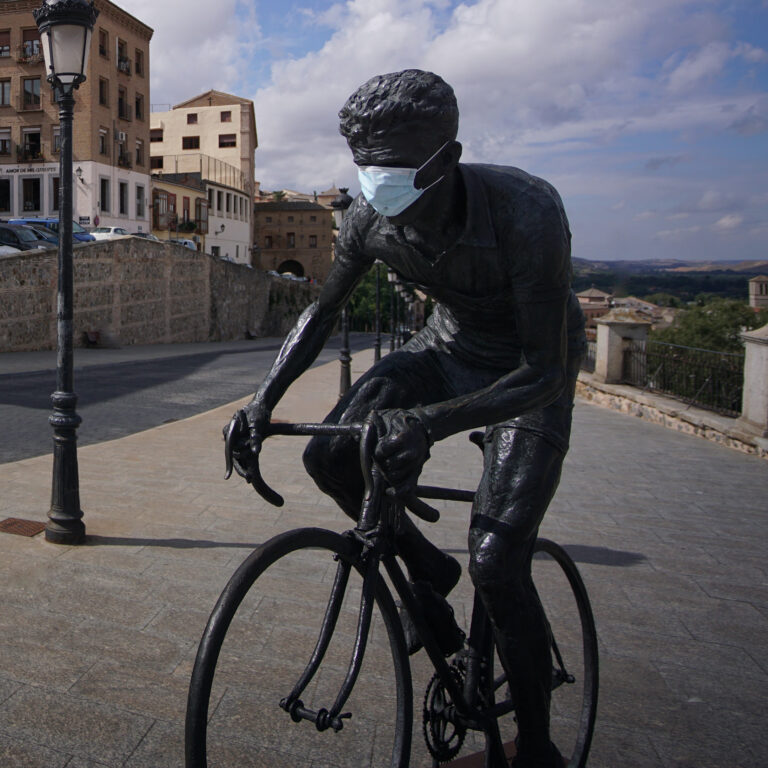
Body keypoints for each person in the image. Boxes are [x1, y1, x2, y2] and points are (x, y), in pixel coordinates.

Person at [230, 69, 585, 768]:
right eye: (365, 168)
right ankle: (426, 574)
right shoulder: (370, 218)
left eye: (391, 170)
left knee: (496, 561)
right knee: (329, 456)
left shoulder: (528, 211)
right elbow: (321, 310)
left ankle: (537, 748)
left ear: (445, 161)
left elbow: (546, 370)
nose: (374, 186)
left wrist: (429, 422)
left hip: (528, 371)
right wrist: (262, 401)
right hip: (446, 348)